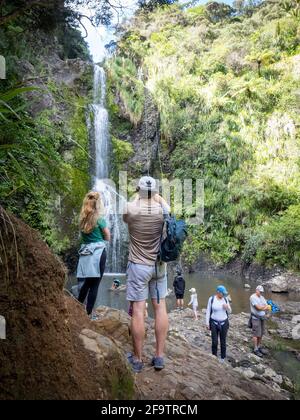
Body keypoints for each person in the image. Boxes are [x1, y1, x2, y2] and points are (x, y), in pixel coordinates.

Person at [123, 176, 170, 373]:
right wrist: (158, 197)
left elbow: (127, 208)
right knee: (160, 309)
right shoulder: (162, 212)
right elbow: (169, 211)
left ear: (138, 191)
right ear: (155, 192)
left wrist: (137, 196)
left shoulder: (132, 211)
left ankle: (137, 358)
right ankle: (159, 357)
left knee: (138, 309)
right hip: (158, 266)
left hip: (138, 266)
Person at [76, 191, 111, 320]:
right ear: (97, 204)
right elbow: (108, 236)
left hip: (85, 253)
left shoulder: (81, 219)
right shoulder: (99, 220)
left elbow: (83, 236)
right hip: (98, 253)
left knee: (86, 283)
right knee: (94, 285)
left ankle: (78, 307)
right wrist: (100, 236)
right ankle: (88, 314)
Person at [206, 285, 232, 363]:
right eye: (222, 293)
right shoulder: (212, 299)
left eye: (224, 293)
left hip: (224, 323)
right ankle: (214, 356)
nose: (224, 295)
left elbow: (230, 312)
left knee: (223, 341)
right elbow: (208, 311)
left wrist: (227, 307)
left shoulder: (225, 299)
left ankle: (223, 357)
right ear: (218, 292)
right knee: (214, 341)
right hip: (213, 322)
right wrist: (207, 323)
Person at [250, 285, 270, 357]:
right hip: (255, 318)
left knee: (261, 333)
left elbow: (267, 305)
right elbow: (258, 308)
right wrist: (265, 307)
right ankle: (255, 349)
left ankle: (258, 347)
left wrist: (266, 308)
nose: (260, 293)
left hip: (262, 317)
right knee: (256, 334)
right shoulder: (252, 297)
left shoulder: (262, 297)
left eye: (261, 292)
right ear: (256, 290)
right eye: (259, 291)